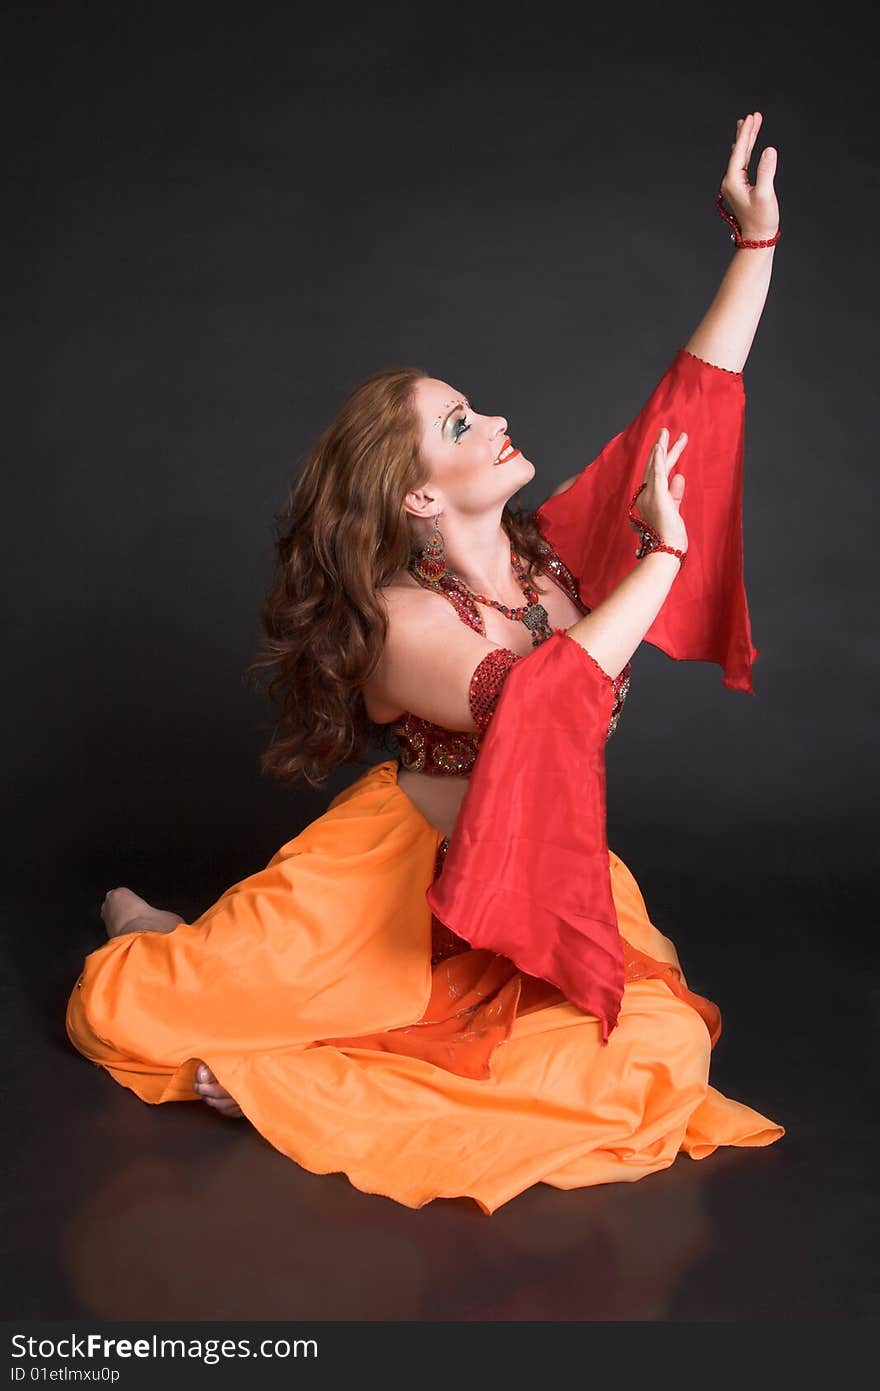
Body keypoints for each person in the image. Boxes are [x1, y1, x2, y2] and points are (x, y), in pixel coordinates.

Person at [67, 112, 785, 1213]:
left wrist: (754, 249)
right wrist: (666, 553)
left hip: (541, 878)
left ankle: (291, 1052)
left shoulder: (554, 558)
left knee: (657, 1056)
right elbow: (552, 693)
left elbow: (685, 415)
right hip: (393, 899)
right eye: (460, 424)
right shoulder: (402, 622)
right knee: (129, 1008)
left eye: (476, 405)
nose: (494, 418)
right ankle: (159, 932)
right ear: (415, 493)